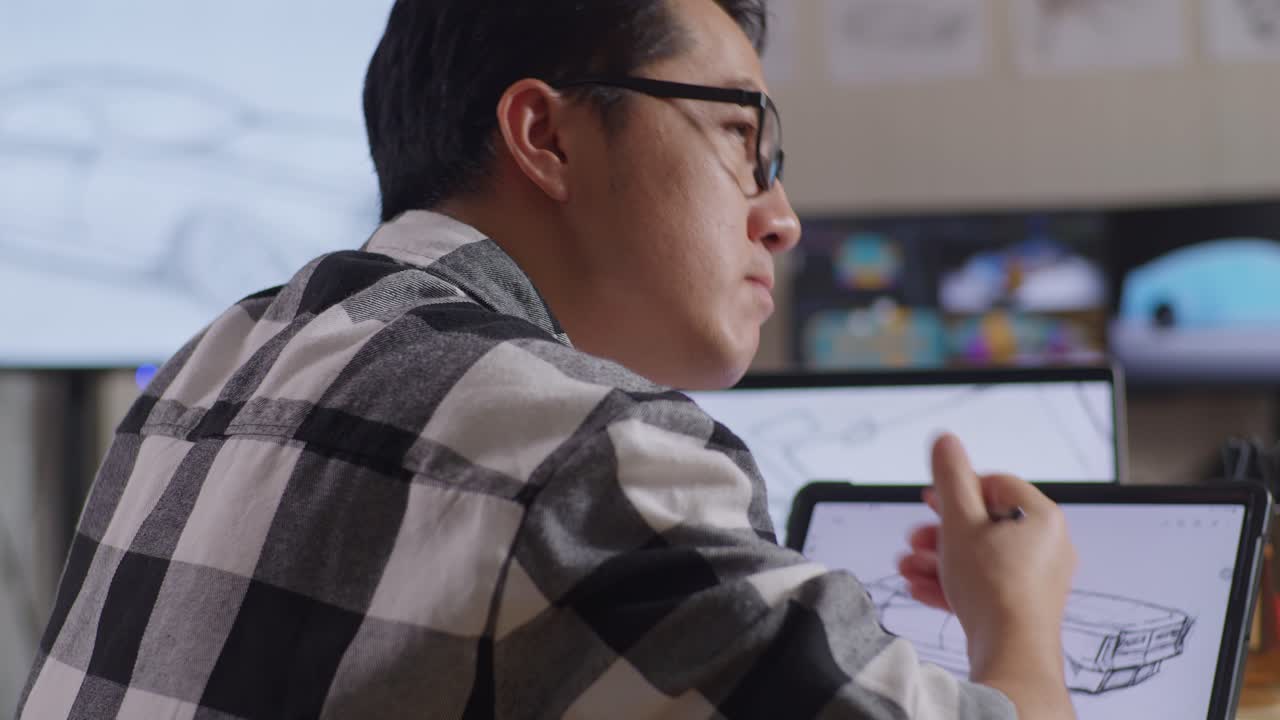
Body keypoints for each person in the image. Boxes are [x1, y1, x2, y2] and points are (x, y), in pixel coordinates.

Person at [18, 0, 1077, 718]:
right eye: (737, 136)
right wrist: (1015, 615)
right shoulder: (578, 450)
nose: (782, 217)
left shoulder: (213, 366)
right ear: (547, 137)